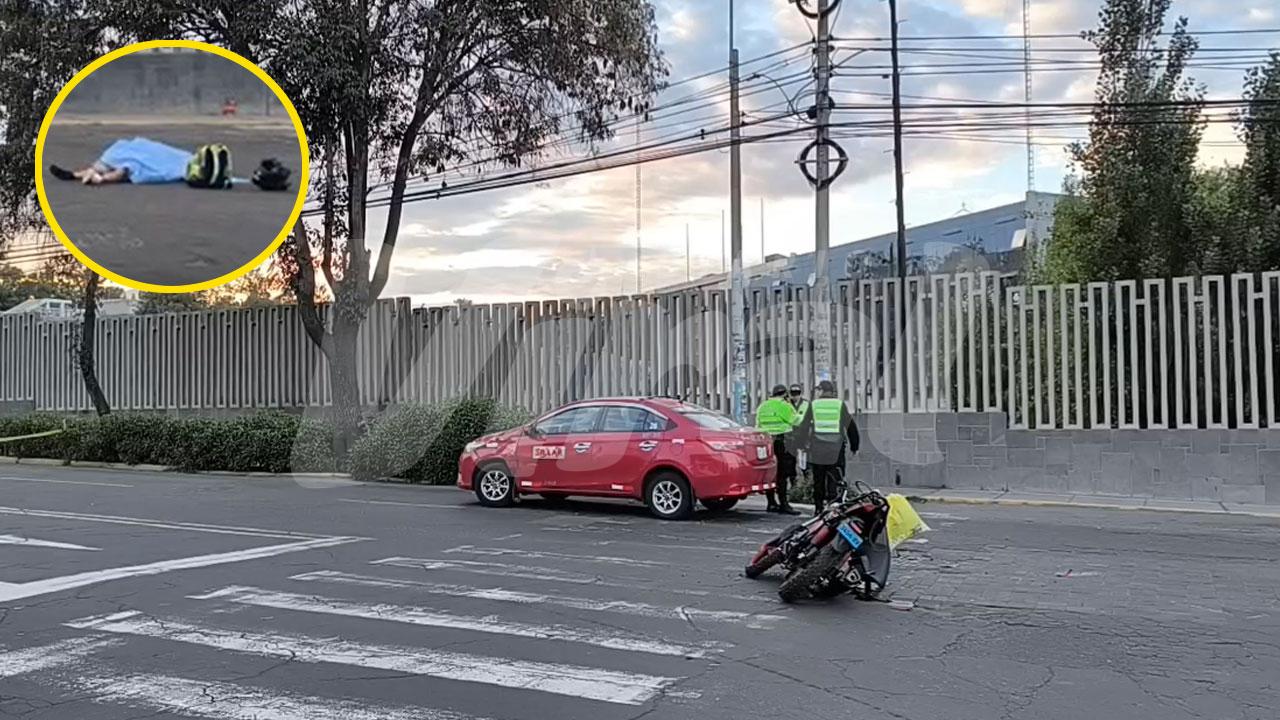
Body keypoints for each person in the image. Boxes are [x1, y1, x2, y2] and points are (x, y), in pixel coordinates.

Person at [795, 379, 860, 515]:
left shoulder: (814, 405)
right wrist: (855, 446)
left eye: (818, 390)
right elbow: (850, 426)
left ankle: (818, 508)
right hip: (836, 449)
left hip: (818, 448)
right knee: (835, 477)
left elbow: (804, 426)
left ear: (822, 391)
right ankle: (833, 506)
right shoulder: (839, 405)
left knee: (819, 479)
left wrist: (800, 444)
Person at [49, 137, 197, 186]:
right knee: (127, 152)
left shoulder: (189, 164)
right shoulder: (190, 157)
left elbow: (169, 167)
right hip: (158, 155)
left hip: (165, 164)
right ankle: (78, 174)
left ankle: (96, 177)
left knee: (129, 167)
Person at [753, 384, 800, 515]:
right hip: (782, 442)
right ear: (785, 394)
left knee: (769, 473)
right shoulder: (784, 405)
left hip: (766, 442)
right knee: (782, 474)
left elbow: (757, 425)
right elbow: (795, 421)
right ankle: (784, 504)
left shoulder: (763, 406)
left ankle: (771, 503)